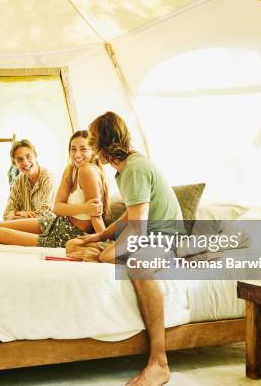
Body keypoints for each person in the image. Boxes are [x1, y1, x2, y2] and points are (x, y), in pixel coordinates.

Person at [66, 112, 183, 386]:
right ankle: (97, 251)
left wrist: (106, 254)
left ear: (103, 144)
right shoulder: (125, 170)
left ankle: (159, 362)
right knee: (87, 247)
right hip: (149, 234)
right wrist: (97, 238)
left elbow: (138, 231)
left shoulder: (134, 169)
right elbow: (130, 216)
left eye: (92, 142)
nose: (90, 149)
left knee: (136, 264)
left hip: (166, 240)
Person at [0, 131, 109, 248]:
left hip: (67, 235)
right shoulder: (71, 168)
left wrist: (107, 244)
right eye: (73, 149)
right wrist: (84, 208)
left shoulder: (87, 171)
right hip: (56, 222)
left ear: (93, 151)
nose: (77, 154)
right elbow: (57, 208)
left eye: (83, 149)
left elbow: (95, 215)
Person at [1, 139, 55, 220]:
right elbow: (7, 214)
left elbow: (45, 216)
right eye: (20, 159)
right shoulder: (18, 181)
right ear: (15, 163)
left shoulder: (48, 178)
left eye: (28, 156)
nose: (25, 163)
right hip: (25, 227)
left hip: (46, 229)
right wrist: (21, 213)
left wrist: (16, 214)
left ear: (35, 156)